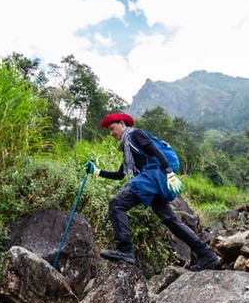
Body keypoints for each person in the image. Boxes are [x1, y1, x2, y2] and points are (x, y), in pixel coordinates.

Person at [83, 112, 221, 271]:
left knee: (117, 204)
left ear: (122, 124)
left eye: (112, 129)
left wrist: (169, 173)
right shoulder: (129, 149)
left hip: (152, 178)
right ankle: (207, 254)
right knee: (170, 220)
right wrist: (96, 171)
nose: (111, 133)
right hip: (151, 181)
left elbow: (156, 151)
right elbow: (120, 175)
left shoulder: (136, 135)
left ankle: (124, 250)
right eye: (109, 131)